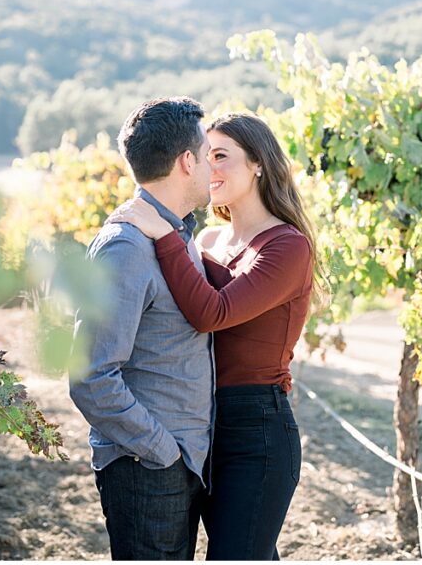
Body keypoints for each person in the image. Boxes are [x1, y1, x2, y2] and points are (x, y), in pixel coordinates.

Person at [107, 111, 318, 561]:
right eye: (206, 155)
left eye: (221, 156)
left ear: (259, 163)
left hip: (255, 427)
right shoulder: (206, 241)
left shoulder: (287, 245)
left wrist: (164, 231)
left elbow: (210, 313)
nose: (209, 166)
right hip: (200, 421)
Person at [68, 97, 216, 561]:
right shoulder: (127, 247)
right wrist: (161, 450)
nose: (212, 164)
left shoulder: (175, 238)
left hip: (178, 462)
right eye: (208, 152)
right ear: (186, 161)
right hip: (147, 467)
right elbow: (89, 376)